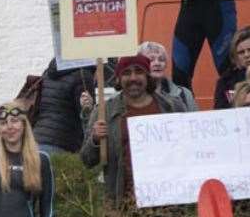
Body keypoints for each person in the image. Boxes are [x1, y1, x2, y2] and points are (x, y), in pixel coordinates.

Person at [81, 54, 183, 203]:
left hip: (167, 203)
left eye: (139, 71)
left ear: (147, 76)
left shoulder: (172, 107)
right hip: (123, 206)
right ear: (118, 78)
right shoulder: (105, 112)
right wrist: (95, 139)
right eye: (126, 73)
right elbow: (86, 160)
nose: (133, 78)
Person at [32, 58, 102, 155]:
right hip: (62, 144)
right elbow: (87, 120)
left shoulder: (48, 72)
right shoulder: (83, 75)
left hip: (36, 141)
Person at [213, 26, 250, 109]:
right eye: (241, 52)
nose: (247, 55)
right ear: (235, 56)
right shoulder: (225, 82)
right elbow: (219, 112)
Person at [138, 40, 198, 112]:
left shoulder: (184, 94)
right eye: (151, 60)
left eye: (161, 60)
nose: (157, 63)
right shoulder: (127, 95)